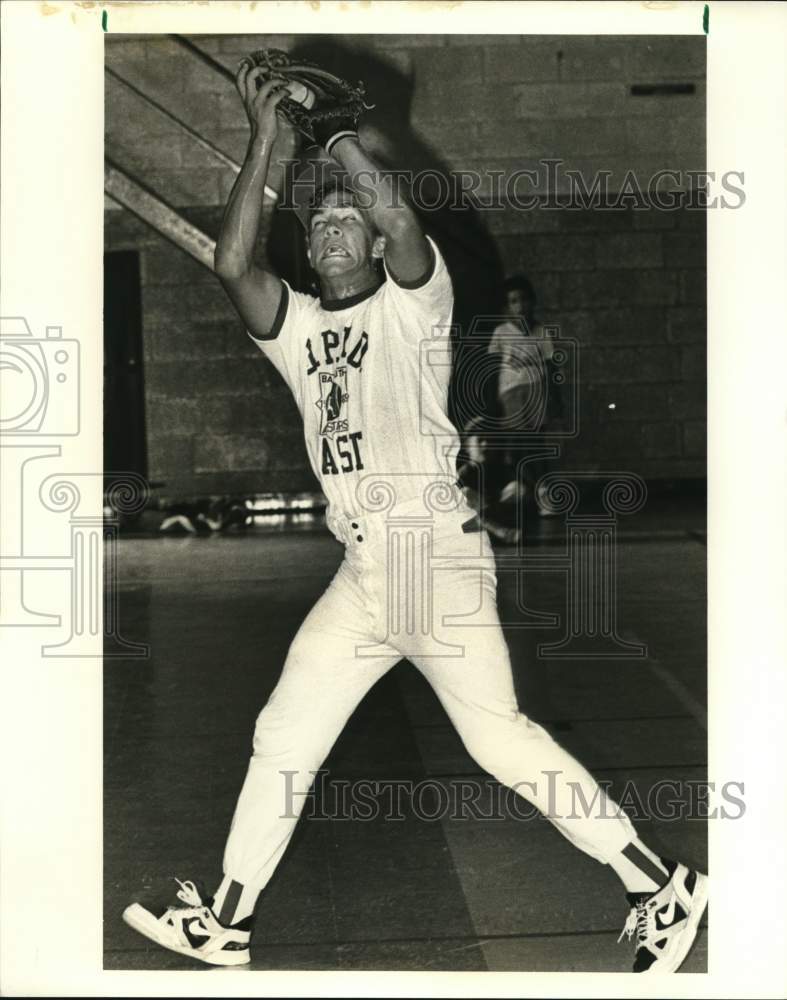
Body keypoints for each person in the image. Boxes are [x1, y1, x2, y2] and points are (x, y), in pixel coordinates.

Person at [122, 59, 708, 974]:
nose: (326, 227)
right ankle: (226, 920)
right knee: (283, 734)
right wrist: (267, 138)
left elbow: (397, 216)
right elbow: (232, 260)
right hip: (364, 573)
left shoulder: (415, 305)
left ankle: (654, 885)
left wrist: (332, 137)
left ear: (368, 238)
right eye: (316, 221)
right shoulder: (300, 331)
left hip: (432, 557)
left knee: (500, 741)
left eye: (340, 217)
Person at [487, 274, 562, 515]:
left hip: (537, 392)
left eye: (523, 300)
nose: (520, 306)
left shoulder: (541, 332)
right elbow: (492, 366)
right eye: (514, 301)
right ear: (507, 307)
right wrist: (492, 400)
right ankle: (518, 485)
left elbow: (551, 367)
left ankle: (543, 492)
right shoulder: (501, 333)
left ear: (532, 302)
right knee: (517, 443)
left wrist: (557, 398)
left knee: (537, 444)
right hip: (511, 394)